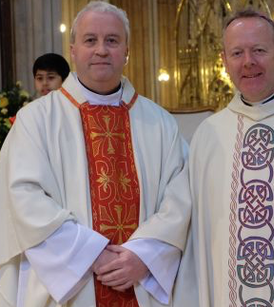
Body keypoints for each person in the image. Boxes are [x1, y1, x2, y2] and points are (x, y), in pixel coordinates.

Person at [0, 2, 197, 307]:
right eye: (90, 40)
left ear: (127, 51)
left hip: (141, 283)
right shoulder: (36, 120)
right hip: (69, 289)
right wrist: (90, 253)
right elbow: (23, 198)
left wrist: (144, 256)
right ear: (73, 50)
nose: (101, 50)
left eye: (112, 40)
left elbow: (181, 197)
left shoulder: (159, 122)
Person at [189, 8, 274, 307]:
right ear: (225, 62)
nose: (248, 62)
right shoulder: (209, 135)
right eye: (237, 52)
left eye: (259, 50)